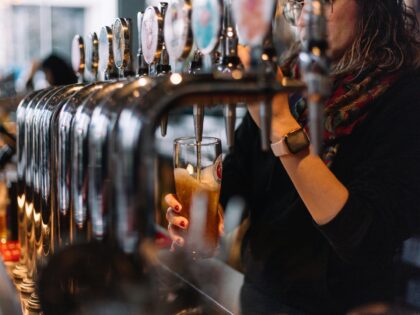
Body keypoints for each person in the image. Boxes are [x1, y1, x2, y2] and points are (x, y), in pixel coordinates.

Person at [165, 0, 420, 313]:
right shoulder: (288, 77)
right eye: (298, 4)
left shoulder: (405, 95)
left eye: (324, 1)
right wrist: (209, 216)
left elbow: (367, 237)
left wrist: (281, 125)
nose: (305, 17)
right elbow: (239, 173)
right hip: (260, 296)